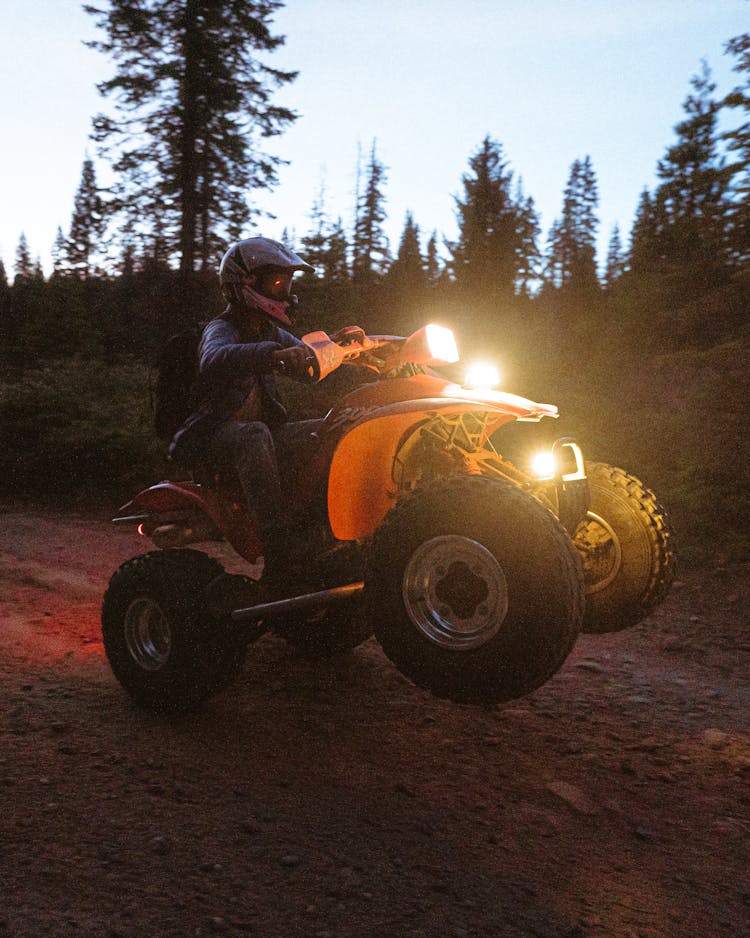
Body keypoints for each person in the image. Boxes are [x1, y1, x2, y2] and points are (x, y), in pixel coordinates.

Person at [169, 236, 322, 588]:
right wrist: (270, 354)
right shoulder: (221, 329)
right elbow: (214, 358)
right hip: (213, 440)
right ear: (246, 284)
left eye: (288, 283)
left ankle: (320, 536)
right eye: (278, 282)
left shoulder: (270, 331)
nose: (285, 292)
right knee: (254, 433)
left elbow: (310, 361)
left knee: (333, 427)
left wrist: (356, 350)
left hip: (262, 438)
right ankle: (279, 552)